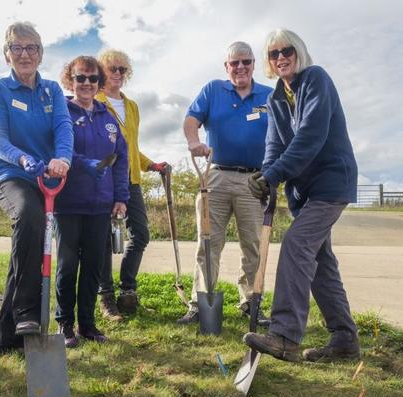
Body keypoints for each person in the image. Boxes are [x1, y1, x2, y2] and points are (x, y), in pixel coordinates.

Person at [243, 29, 360, 363]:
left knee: (296, 244)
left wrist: (275, 173)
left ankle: (284, 336)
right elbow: (274, 145)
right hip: (304, 192)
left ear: (300, 51)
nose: (281, 57)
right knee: (321, 262)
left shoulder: (316, 80)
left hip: (331, 183)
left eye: (287, 50)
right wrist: (266, 176)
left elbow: (310, 136)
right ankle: (344, 340)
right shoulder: (276, 98)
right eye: (273, 53)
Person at [0, 22, 73, 354]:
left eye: (31, 47)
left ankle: (8, 341)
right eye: (17, 48)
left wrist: (63, 157)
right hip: (9, 173)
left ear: (41, 53)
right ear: (7, 54)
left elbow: (63, 126)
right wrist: (21, 159)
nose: (24, 54)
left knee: (27, 244)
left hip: (44, 176)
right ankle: (27, 312)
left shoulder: (51, 91)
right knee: (29, 219)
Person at [176, 42, 274, 326]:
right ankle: (200, 303)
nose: (240, 67)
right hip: (216, 176)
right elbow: (191, 119)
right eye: (234, 63)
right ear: (226, 66)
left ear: (254, 64)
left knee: (254, 244)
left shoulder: (269, 96)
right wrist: (194, 141)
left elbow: (284, 133)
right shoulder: (213, 90)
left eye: (246, 62)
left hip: (255, 180)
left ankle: (250, 301)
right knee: (208, 243)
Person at [54, 56, 130, 347]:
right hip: (69, 203)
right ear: (70, 80)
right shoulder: (62, 112)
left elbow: (120, 160)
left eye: (92, 79)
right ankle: (65, 325)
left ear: (100, 83)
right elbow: (60, 150)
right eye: (80, 78)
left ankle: (87, 324)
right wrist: (85, 164)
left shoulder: (108, 118)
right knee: (68, 265)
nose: (86, 83)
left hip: (101, 205)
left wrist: (121, 197)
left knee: (94, 266)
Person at [94, 49, 169, 317]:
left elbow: (131, 147)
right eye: (112, 68)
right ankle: (105, 296)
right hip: (104, 179)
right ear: (101, 71)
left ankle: (128, 289)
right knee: (103, 238)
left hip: (131, 180)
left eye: (122, 69)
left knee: (141, 234)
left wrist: (151, 165)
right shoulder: (96, 101)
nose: (117, 73)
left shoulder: (132, 106)